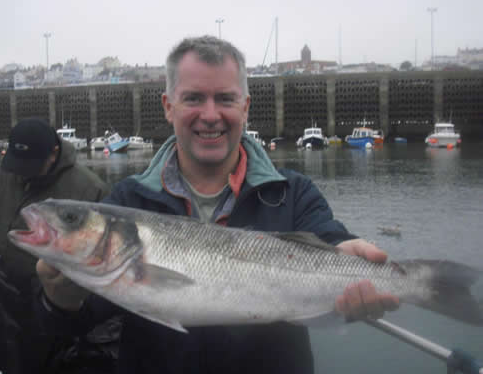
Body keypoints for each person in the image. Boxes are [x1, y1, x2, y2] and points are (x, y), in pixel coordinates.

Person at [35, 36, 399, 374]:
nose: (210, 115)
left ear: (244, 108)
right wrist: (60, 298)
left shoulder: (292, 193)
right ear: (168, 106)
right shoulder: (128, 200)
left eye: (225, 99)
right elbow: (74, 325)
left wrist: (353, 262)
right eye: (193, 98)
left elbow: (330, 240)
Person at [0, 118, 118, 374]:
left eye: (30, 165)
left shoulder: (91, 189)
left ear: (54, 153)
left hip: (54, 300)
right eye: (16, 164)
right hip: (5, 293)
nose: (21, 171)